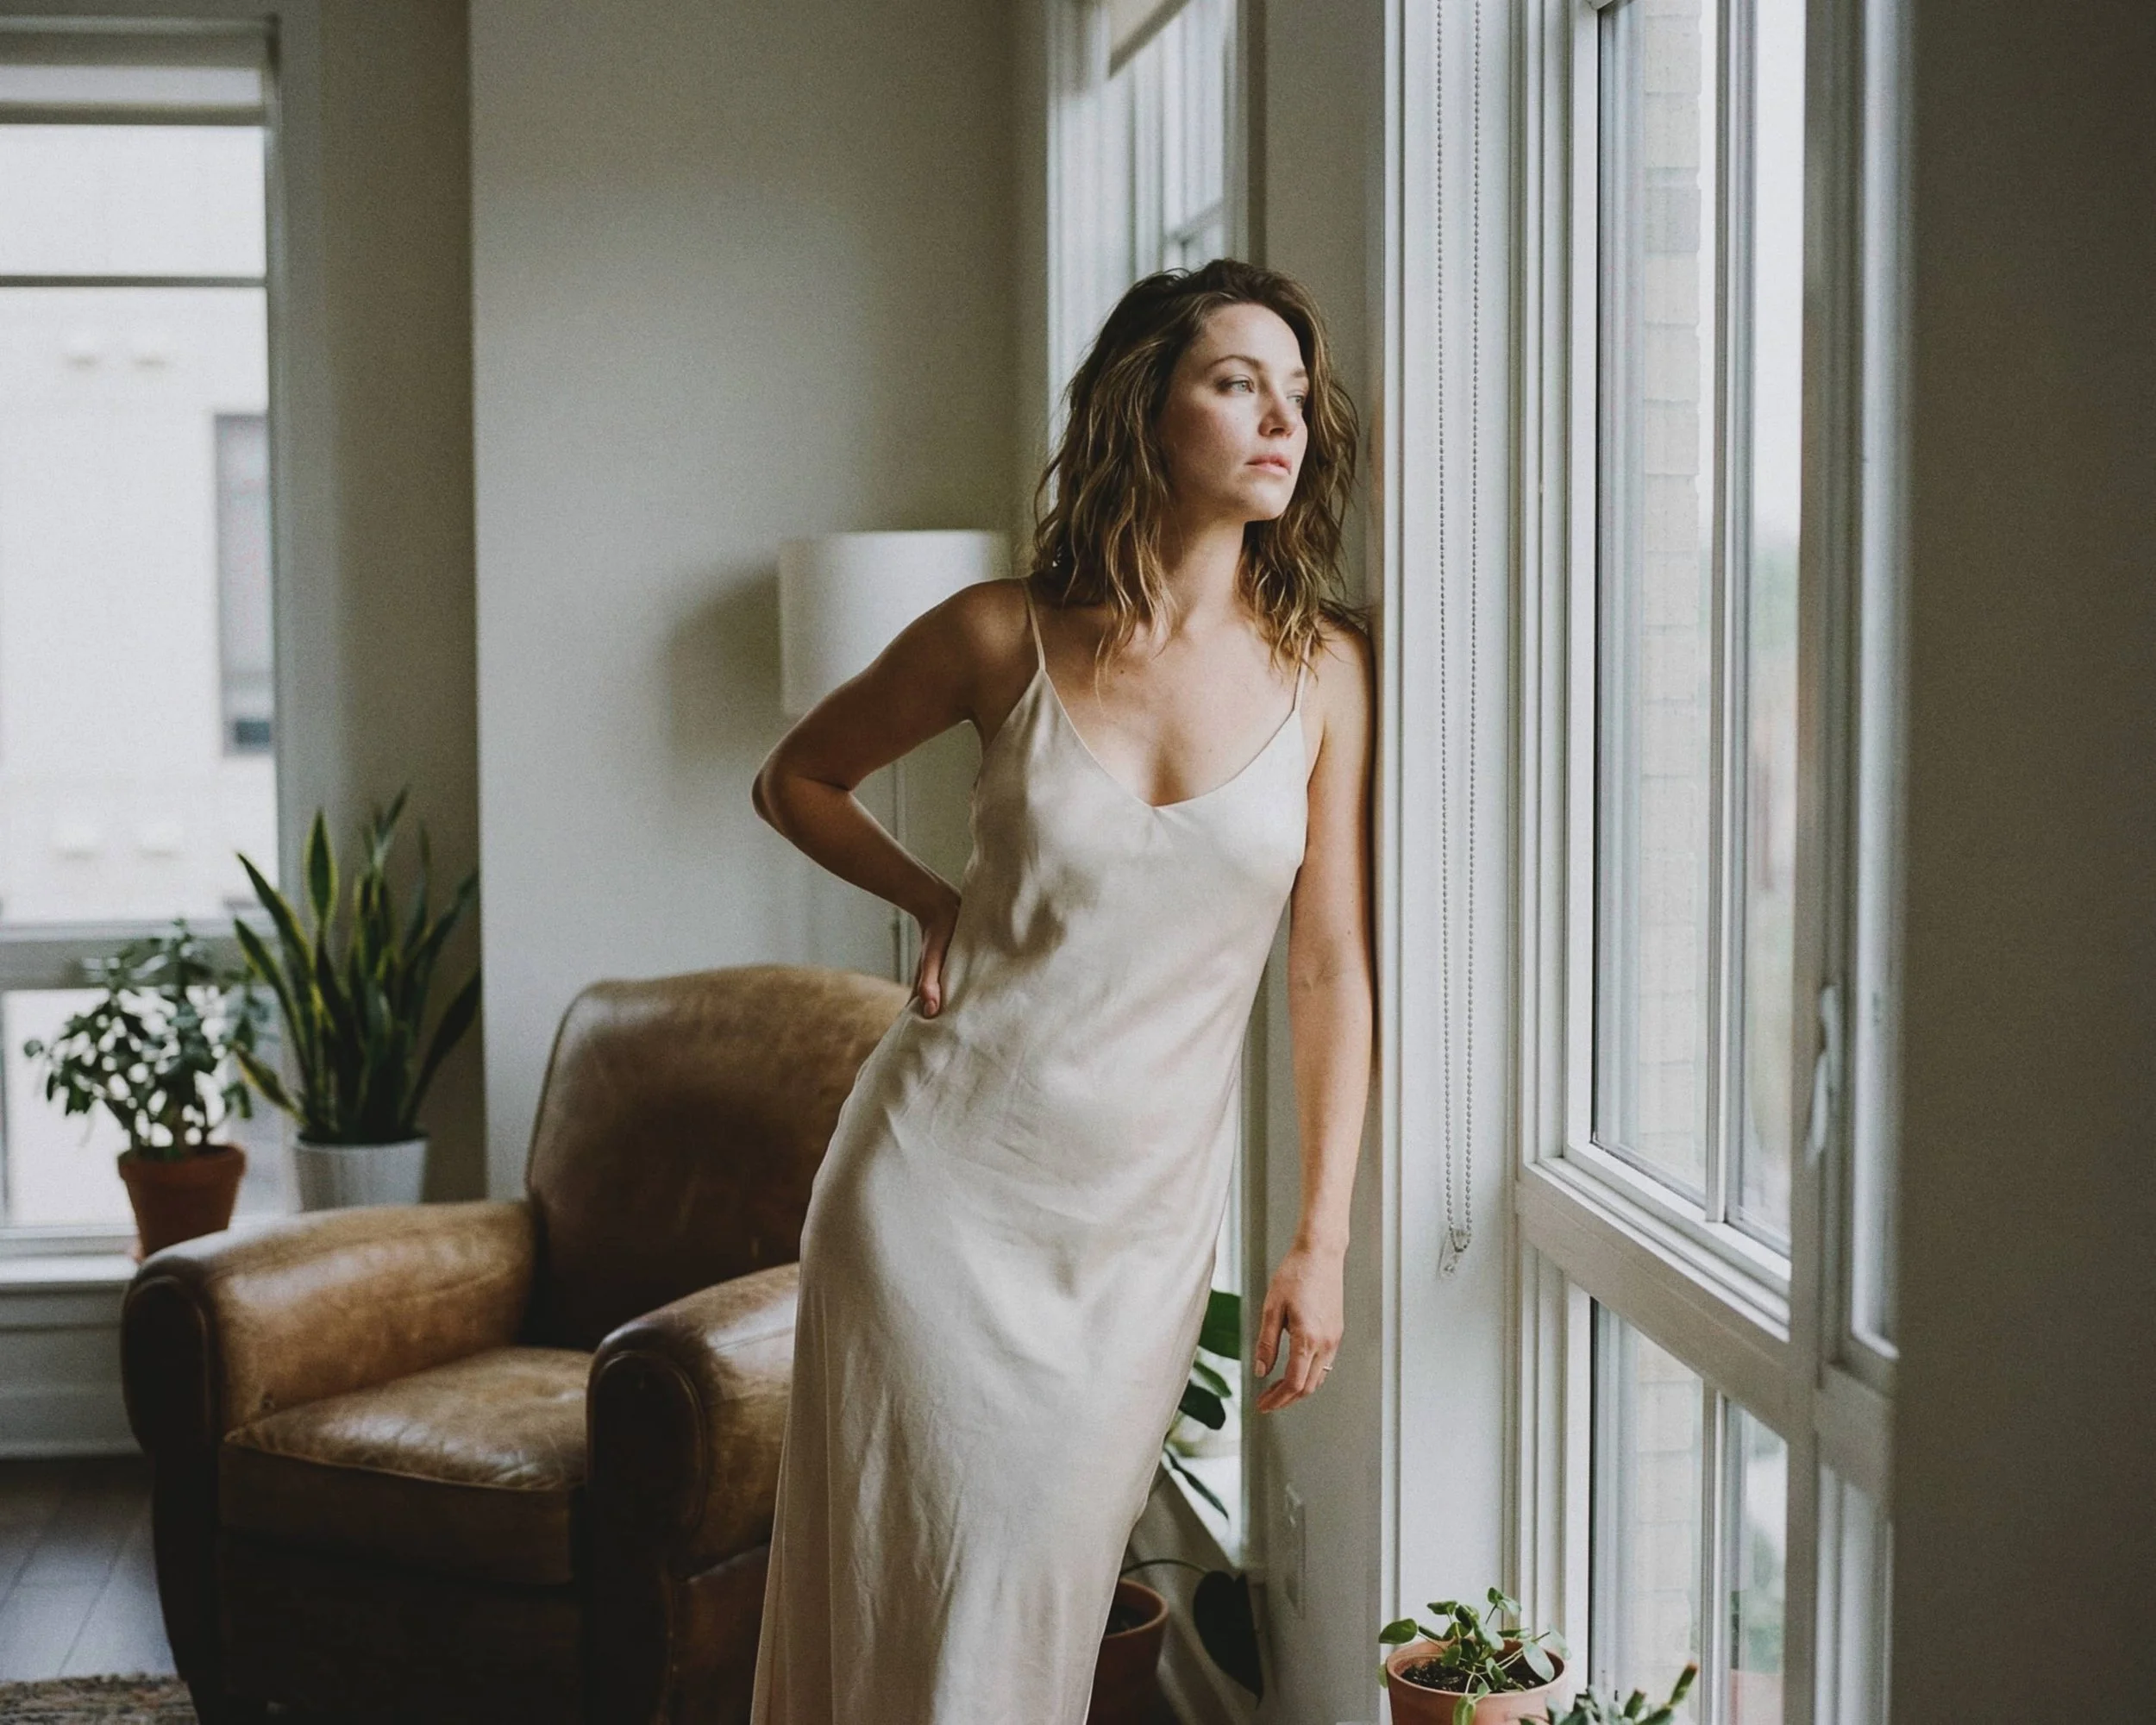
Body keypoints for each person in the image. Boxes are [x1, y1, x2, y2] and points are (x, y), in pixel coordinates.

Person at [745, 257, 1376, 1723]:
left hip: (1134, 1236)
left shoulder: (1324, 672)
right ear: (1144, 412)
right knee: (903, 1589)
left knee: (1024, 1605)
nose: (1281, 420)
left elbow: (1331, 964)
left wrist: (1320, 1239)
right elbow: (795, 779)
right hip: (932, 1195)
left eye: (1296, 394)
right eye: (1236, 383)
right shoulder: (997, 633)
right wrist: (935, 898)